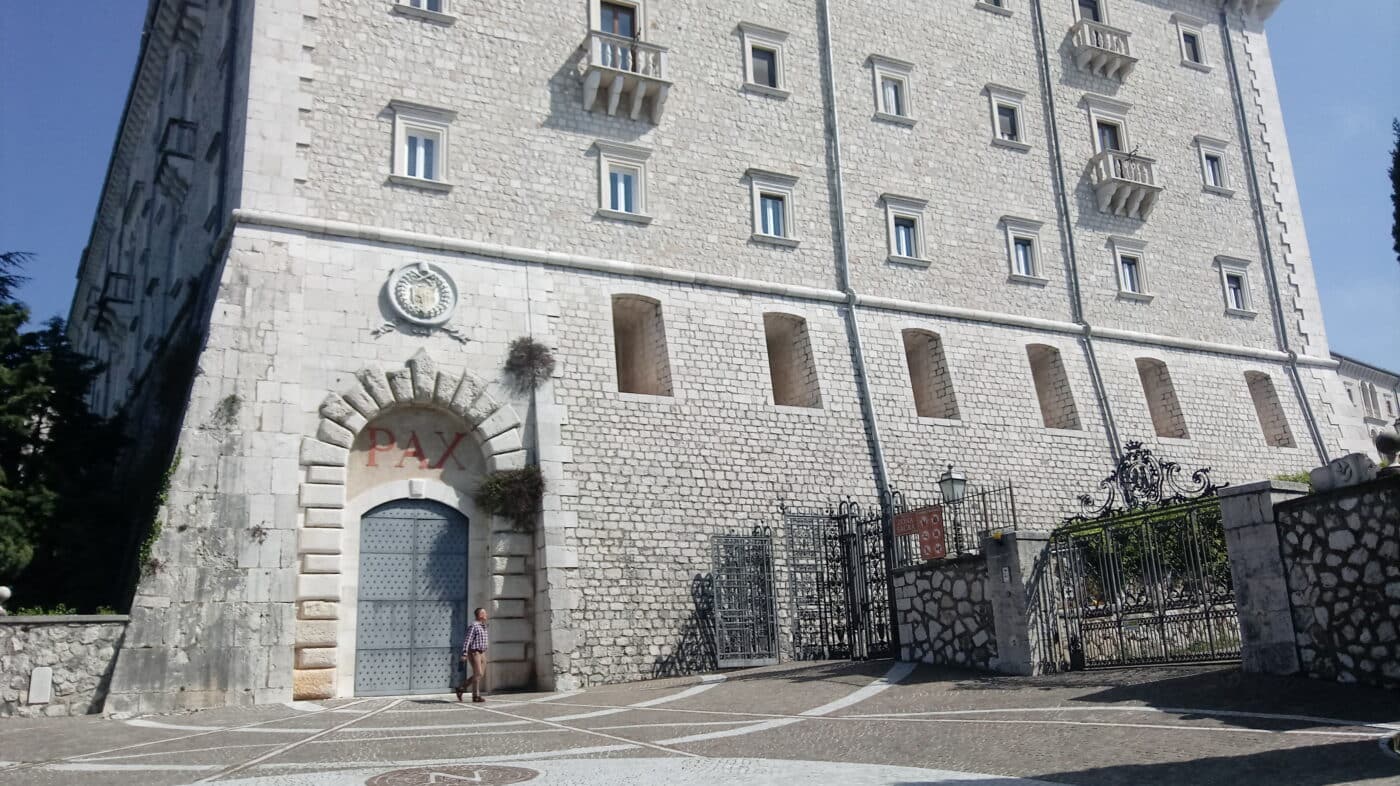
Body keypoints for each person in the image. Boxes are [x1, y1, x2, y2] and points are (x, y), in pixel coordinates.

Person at [456, 607, 489, 702]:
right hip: (474, 652)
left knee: (479, 675)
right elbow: (467, 640)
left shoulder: (484, 626)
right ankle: (465, 689)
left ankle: (472, 694)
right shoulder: (473, 626)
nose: (486, 615)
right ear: (480, 615)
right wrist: (464, 653)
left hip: (482, 652)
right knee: (478, 673)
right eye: (484, 613)